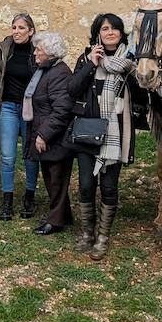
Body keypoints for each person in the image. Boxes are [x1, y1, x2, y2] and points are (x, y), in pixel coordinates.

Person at [49, 14, 136, 259]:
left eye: (114, 28)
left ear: (121, 33)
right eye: (104, 28)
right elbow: (72, 88)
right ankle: (88, 233)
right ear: (97, 33)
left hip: (116, 133)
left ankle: (103, 237)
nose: (110, 32)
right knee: (86, 185)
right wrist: (90, 64)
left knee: (109, 187)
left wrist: (137, 70)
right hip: (87, 132)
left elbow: (142, 93)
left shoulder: (130, 62)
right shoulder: (86, 58)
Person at [23, 32, 74, 239]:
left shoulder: (60, 74)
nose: (35, 53)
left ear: (51, 53)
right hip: (49, 136)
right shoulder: (46, 70)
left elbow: (62, 110)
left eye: (39, 50)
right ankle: (64, 215)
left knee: (56, 180)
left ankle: (55, 221)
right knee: (53, 178)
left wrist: (43, 135)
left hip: (56, 139)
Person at [0, 13, 41, 220]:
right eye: (14, 27)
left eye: (21, 28)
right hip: (8, 107)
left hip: (29, 109)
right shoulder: (6, 48)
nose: (16, 32)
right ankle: (7, 200)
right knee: (7, 156)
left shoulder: (39, 52)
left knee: (29, 154)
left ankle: (29, 197)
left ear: (31, 31)